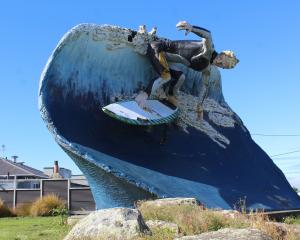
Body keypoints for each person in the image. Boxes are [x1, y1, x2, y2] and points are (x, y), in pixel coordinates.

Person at [135, 21, 239, 108]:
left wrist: (199, 107)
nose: (219, 62)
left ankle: (170, 96)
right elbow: (208, 35)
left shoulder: (207, 69)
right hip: (156, 48)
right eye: (221, 58)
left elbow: (204, 88)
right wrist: (191, 28)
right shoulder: (208, 50)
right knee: (166, 77)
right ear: (221, 53)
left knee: (181, 77)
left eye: (222, 65)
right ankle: (143, 95)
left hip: (165, 59)